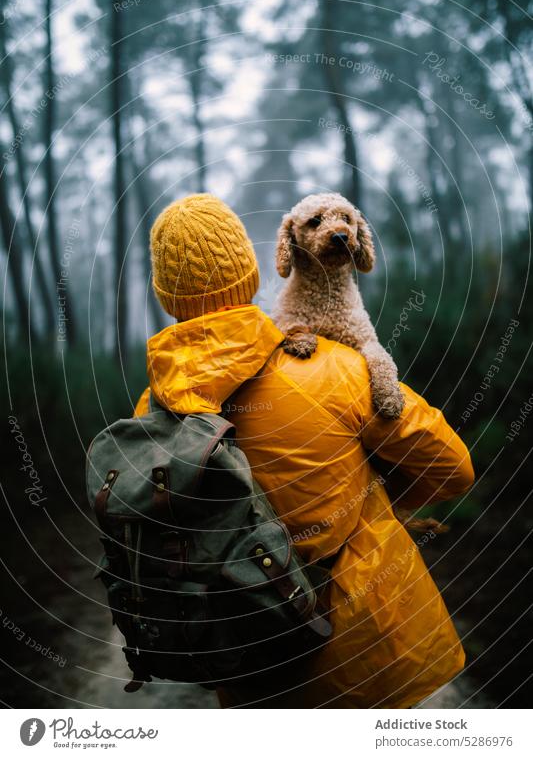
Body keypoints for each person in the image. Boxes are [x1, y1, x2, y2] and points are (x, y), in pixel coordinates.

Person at [134, 193, 475, 709]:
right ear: (250, 272)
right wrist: (385, 497)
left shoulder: (151, 407)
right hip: (366, 650)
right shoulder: (338, 367)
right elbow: (452, 468)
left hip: (248, 655)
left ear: (166, 295)